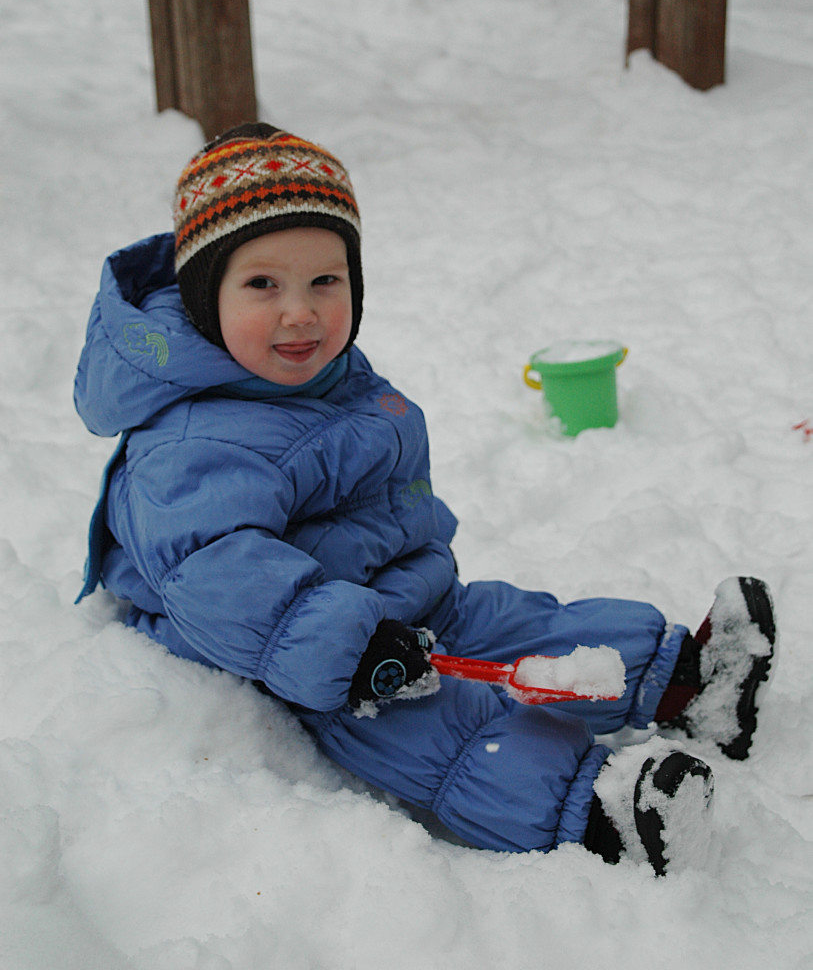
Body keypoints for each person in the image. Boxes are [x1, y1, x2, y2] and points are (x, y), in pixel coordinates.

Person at [74, 123, 776, 875]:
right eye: (261, 285)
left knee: (522, 623)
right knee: (442, 731)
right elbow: (215, 574)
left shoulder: (314, 375)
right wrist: (343, 645)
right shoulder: (188, 442)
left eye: (325, 281)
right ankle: (598, 811)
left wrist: (409, 594)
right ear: (204, 294)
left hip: (399, 603)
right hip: (300, 658)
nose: (300, 312)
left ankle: (686, 686)